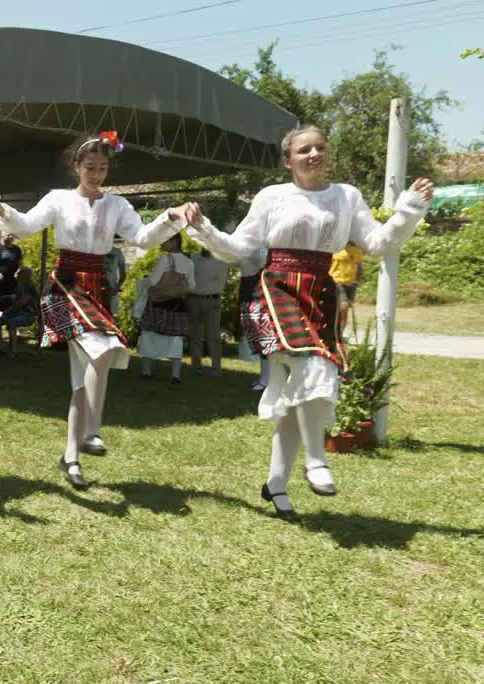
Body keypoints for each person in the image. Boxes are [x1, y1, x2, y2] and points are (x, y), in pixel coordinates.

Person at [185, 125, 433, 522]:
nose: (314, 155)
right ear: (288, 160)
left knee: (300, 392)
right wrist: (203, 229)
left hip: (320, 293)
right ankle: (316, 460)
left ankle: (276, 485)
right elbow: (237, 249)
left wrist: (407, 211)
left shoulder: (346, 196)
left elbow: (379, 243)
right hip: (278, 288)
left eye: (320, 147)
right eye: (304, 150)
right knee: (312, 365)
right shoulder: (272, 196)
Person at [0, 132, 195, 488]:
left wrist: (171, 218)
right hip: (66, 285)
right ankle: (92, 430)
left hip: (96, 284)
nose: (97, 174)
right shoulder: (59, 199)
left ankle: (71, 456)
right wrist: (0, 208)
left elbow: (142, 239)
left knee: (82, 375)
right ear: (76, 167)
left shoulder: (118, 206)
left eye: (102, 167)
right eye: (90, 167)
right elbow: (24, 226)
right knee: (107, 348)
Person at [135, 234, 195, 383]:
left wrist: (142, 282)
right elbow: (192, 286)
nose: (161, 242)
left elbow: (154, 281)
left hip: (158, 302)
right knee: (176, 339)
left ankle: (146, 371)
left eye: (165, 239)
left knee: (149, 335)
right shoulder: (189, 262)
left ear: (174, 242)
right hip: (177, 304)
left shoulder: (165, 259)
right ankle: (175, 375)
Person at [188, 245, 231, 374]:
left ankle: (216, 368)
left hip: (212, 301)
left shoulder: (220, 260)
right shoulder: (193, 258)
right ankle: (196, 366)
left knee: (212, 335)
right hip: (194, 299)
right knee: (194, 335)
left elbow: (221, 282)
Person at [237, 246, 272, 391]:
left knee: (263, 341)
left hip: (258, 300)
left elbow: (264, 263)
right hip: (249, 298)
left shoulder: (258, 249)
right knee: (258, 342)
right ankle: (264, 378)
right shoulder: (251, 248)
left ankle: (266, 380)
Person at [0, 265, 39, 357]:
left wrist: (7, 311)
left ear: (24, 275)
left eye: (18, 272)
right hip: (16, 313)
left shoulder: (28, 287)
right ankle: (1, 347)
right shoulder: (20, 286)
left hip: (28, 315)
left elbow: (22, 302)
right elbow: (17, 298)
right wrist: (9, 297)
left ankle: (13, 351)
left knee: (12, 322)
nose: (15, 274)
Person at [330, 241, 364, 339]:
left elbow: (359, 266)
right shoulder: (334, 249)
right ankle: (335, 333)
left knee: (345, 309)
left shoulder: (355, 251)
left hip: (351, 284)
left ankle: (340, 334)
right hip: (337, 282)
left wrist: (357, 281)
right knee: (343, 306)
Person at [0, 232, 23, 314]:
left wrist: (18, 271)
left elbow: (20, 263)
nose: (11, 237)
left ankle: (4, 322)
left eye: (12, 235)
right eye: (8, 235)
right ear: (2, 236)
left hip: (12, 282)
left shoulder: (17, 249)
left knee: (9, 303)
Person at [105, 242, 128, 315]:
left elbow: (123, 275)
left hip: (111, 290)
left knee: (110, 318)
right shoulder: (94, 249)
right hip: (95, 288)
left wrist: (115, 289)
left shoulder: (117, 252)